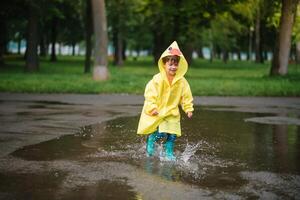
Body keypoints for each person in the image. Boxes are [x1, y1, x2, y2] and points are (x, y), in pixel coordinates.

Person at [137, 41, 194, 161]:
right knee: (161, 133)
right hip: (159, 111)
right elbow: (150, 95)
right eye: (170, 64)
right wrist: (152, 108)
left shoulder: (182, 81)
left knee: (172, 135)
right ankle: (151, 140)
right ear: (164, 64)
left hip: (172, 112)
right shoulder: (157, 80)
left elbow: (186, 96)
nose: (173, 67)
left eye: (176, 64)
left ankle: (169, 152)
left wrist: (188, 108)